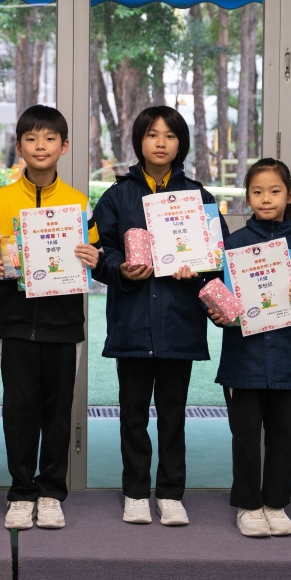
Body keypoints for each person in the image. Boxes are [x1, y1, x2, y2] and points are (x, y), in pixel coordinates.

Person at [92, 106, 226, 527]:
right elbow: (99, 253)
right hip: (132, 323)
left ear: (180, 143)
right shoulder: (117, 196)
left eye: (170, 135)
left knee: (173, 415)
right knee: (132, 414)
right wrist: (120, 269)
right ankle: (135, 492)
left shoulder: (199, 198)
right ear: (139, 142)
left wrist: (197, 270)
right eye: (152, 134)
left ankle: (170, 494)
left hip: (179, 324)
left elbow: (218, 258)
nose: (161, 142)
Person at [0, 104, 101, 531]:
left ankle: (51, 493)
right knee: (19, 409)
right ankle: (21, 491)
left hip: (64, 325)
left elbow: (96, 255)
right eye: (31, 138)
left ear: (65, 146)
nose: (40, 146)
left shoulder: (78, 202)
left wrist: (93, 256)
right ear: (19, 147)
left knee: (58, 411)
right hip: (16, 323)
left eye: (49, 138)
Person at [211, 158, 291, 539]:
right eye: (258, 192)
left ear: (289, 196)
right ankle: (248, 505)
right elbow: (217, 297)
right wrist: (218, 311)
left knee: (282, 436)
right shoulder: (233, 245)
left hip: (288, 360)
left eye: (275, 191)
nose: (266, 199)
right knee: (245, 436)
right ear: (247, 197)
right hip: (242, 361)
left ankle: (276, 504)